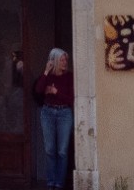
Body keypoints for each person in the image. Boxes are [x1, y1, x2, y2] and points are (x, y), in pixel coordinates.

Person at [33, 48, 75, 190]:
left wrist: (56, 92)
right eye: (62, 60)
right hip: (47, 113)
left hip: (64, 113)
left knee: (62, 151)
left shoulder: (69, 77)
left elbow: (71, 99)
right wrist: (46, 71)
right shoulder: (48, 77)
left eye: (65, 60)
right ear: (55, 61)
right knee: (50, 150)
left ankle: (59, 183)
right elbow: (38, 90)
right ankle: (50, 183)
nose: (65, 62)